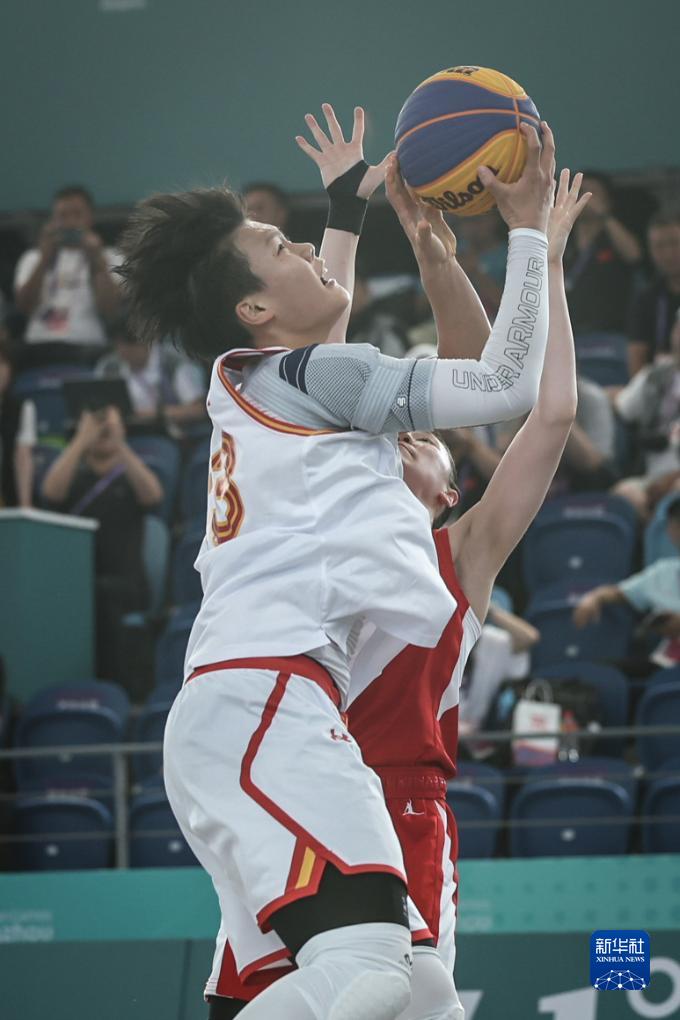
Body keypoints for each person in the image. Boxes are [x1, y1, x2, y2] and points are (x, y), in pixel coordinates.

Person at [119, 101, 555, 1020]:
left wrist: (346, 210)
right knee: (373, 969)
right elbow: (508, 383)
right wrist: (526, 233)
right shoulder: (309, 380)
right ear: (254, 309)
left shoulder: (262, 384)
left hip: (257, 710)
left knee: (399, 984)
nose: (307, 250)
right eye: (282, 245)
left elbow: (320, 324)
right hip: (264, 704)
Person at [208, 165, 586, 1019]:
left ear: (450, 489)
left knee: (400, 997)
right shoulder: (323, 522)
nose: (402, 438)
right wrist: (411, 243)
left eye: (423, 440)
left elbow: (548, 411)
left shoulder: (464, 557)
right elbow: (323, 356)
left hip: (402, 803)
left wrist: (547, 262)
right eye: (396, 433)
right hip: (298, 772)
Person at [41, 405, 162, 678]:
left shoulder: (130, 475)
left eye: (108, 428)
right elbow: (50, 493)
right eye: (97, 429)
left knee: (103, 596)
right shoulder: (75, 476)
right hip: (78, 583)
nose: (102, 432)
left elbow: (154, 495)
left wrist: (121, 444)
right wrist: (81, 440)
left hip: (126, 585)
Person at [573, 498, 680, 672]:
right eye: (675, 525)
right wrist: (594, 598)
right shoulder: (662, 572)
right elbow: (619, 592)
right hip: (665, 665)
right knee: (601, 673)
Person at [13, 185, 122, 351]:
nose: (70, 222)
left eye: (77, 215)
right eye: (62, 216)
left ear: (90, 218)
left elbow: (110, 310)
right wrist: (44, 260)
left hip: (87, 345)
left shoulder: (110, 256)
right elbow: (23, 307)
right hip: (38, 344)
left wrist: (98, 261)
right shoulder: (32, 257)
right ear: (53, 220)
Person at [613, 307, 680, 519]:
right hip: (653, 477)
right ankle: (655, 534)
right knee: (625, 493)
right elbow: (622, 408)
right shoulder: (654, 376)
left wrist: (672, 479)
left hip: (676, 480)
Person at [95, 314, 207, 431]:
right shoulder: (108, 367)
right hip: (123, 432)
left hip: (168, 433)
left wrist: (154, 415)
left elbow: (198, 410)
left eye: (130, 342)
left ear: (149, 339)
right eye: (118, 344)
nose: (123, 350)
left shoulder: (175, 363)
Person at [564, 170, 641, 335]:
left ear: (608, 201)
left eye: (594, 193)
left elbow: (634, 255)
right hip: (570, 332)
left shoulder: (614, 236)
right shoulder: (565, 237)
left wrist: (605, 215)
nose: (587, 198)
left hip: (611, 333)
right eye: (582, 191)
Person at [627, 206, 680, 377]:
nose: (668, 253)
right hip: (660, 384)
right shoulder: (646, 299)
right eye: (659, 246)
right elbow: (636, 362)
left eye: (674, 243)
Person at [0, 333, 37, 507]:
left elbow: (23, 457)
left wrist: (25, 505)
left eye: (2, 363)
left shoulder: (22, 408)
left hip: (8, 498)